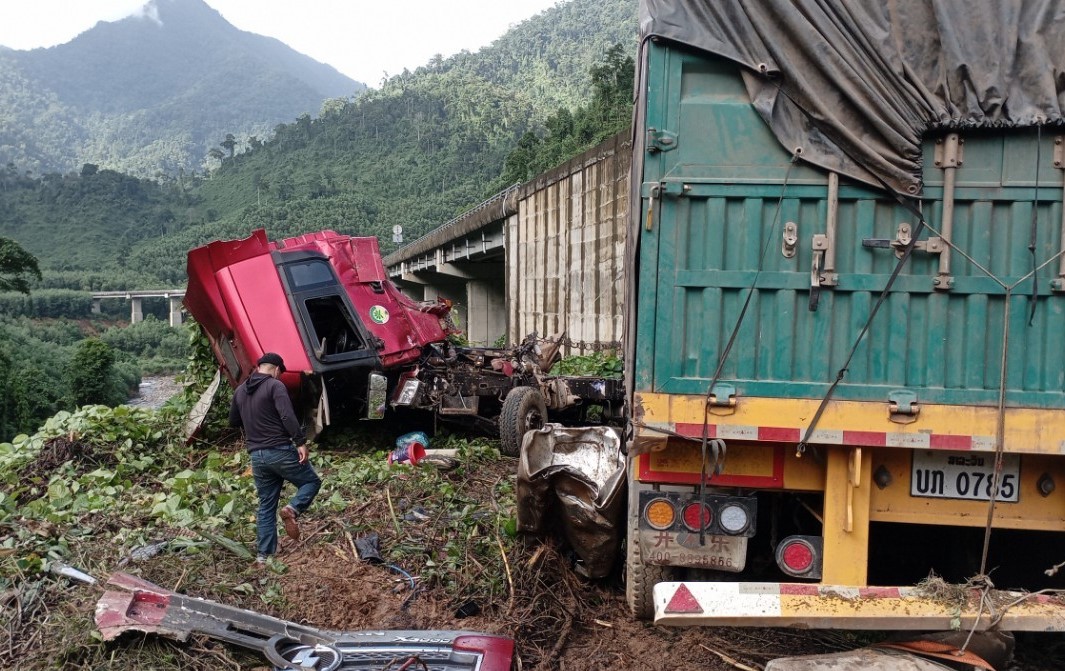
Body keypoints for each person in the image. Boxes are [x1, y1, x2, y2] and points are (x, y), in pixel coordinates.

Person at [229, 352, 321, 564]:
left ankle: (264, 557)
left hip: (257, 456)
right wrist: (300, 442)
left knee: (266, 505)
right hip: (278, 449)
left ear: (259, 366)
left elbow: (234, 421)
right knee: (311, 481)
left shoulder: (241, 390)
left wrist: (255, 419)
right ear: (277, 369)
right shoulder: (275, 386)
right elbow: (287, 415)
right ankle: (293, 508)